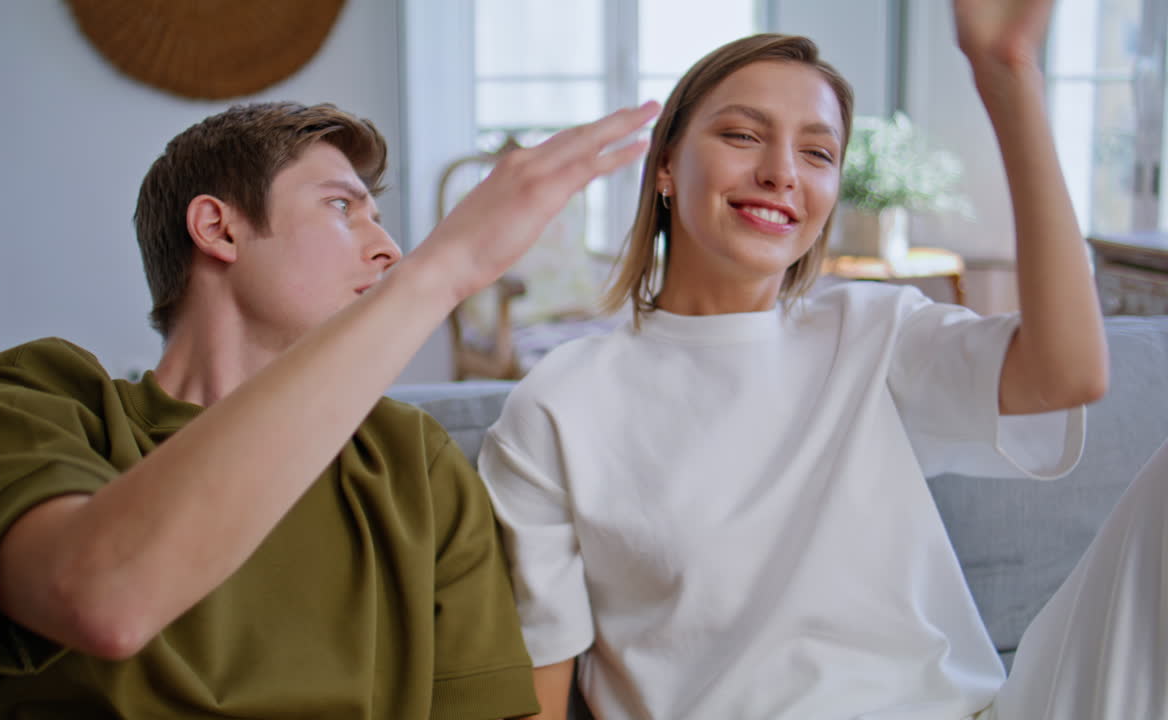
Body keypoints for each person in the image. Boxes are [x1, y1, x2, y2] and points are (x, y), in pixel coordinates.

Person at [478, 1, 1168, 718]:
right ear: (665, 169)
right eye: (743, 135)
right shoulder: (563, 403)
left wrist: (1008, 76)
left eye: (817, 153)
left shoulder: (872, 327)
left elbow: (1070, 374)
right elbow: (540, 699)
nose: (781, 173)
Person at [0, 98, 660, 719]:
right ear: (218, 227)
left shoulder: (410, 461)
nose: (389, 250)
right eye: (343, 208)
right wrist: (440, 275)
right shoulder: (29, 402)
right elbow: (106, 598)